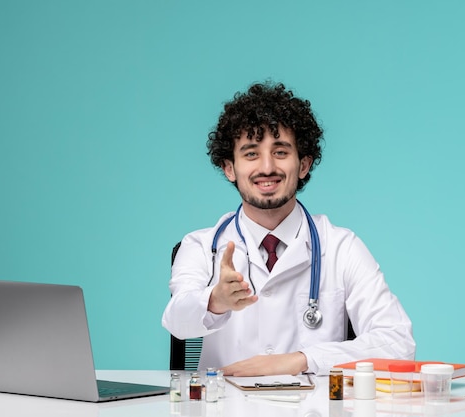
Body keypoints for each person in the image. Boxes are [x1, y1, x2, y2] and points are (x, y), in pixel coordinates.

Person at [162, 81, 415, 376]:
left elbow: (399, 344)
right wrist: (215, 300)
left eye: (280, 152)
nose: (267, 167)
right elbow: (177, 321)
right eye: (251, 153)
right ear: (229, 168)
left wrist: (301, 360)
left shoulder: (341, 247)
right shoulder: (202, 245)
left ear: (304, 164)